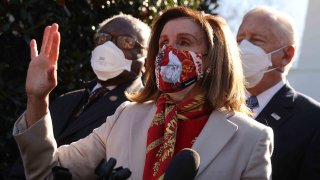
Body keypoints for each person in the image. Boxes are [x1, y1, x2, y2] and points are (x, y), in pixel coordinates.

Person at [13, 7, 274, 180]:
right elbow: (46, 171)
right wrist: (38, 98)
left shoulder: (252, 139)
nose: (169, 52)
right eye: (163, 43)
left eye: (184, 42)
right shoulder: (126, 116)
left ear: (211, 60)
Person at [8, 14, 151, 179]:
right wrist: (36, 98)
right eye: (103, 38)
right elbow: (26, 167)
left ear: (147, 61)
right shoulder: (65, 100)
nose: (109, 47)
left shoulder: (140, 111)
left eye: (127, 41)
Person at [237, 6, 320, 180]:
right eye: (239, 39)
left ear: (286, 55)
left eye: (256, 40)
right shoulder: (216, 104)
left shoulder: (313, 120)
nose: (243, 48)